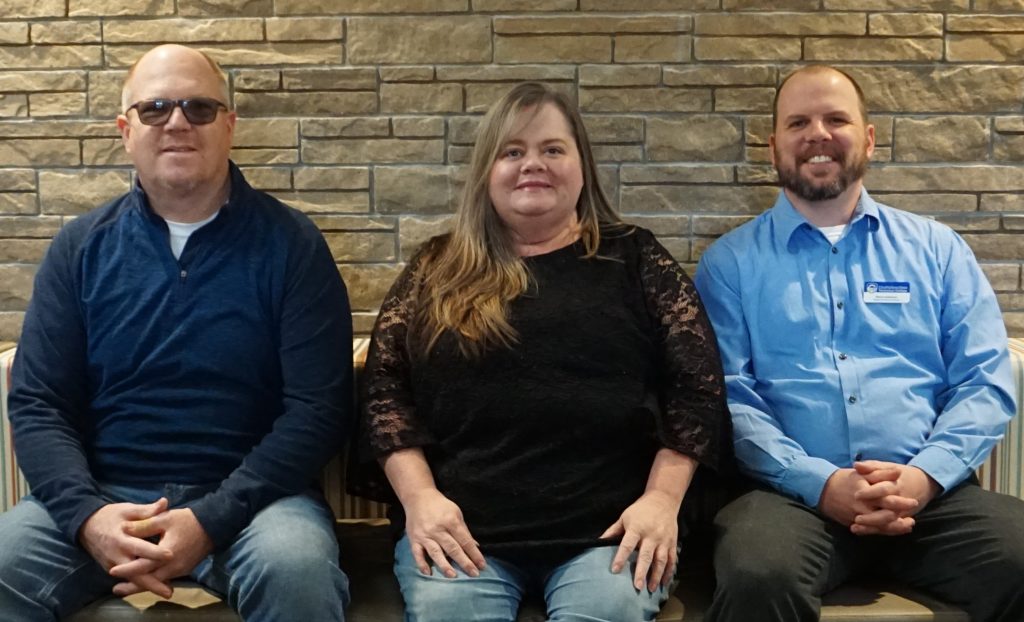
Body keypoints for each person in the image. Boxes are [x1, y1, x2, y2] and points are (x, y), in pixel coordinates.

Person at [350, 81, 730, 622]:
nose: (534, 164)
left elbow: (696, 387)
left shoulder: (637, 259)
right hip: (461, 535)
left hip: (609, 534)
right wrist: (420, 502)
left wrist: (662, 503)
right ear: (487, 171)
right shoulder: (437, 268)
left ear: (581, 167)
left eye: (552, 149)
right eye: (513, 151)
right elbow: (385, 388)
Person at [0, 44, 353, 621]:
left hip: (257, 503)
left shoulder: (293, 246)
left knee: (298, 573)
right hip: (104, 491)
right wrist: (88, 517)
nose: (178, 123)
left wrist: (210, 520)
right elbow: (40, 403)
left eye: (200, 108)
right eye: (155, 108)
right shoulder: (79, 249)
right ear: (125, 129)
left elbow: (319, 409)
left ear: (231, 126)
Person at [694, 64, 1024, 621]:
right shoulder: (729, 264)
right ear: (774, 145)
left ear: (868, 138)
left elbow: (984, 380)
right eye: (798, 122)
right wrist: (823, 484)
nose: (817, 134)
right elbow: (729, 398)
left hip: (932, 496)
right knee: (758, 577)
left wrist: (922, 478)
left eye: (836, 118)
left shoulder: (938, 250)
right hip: (789, 500)